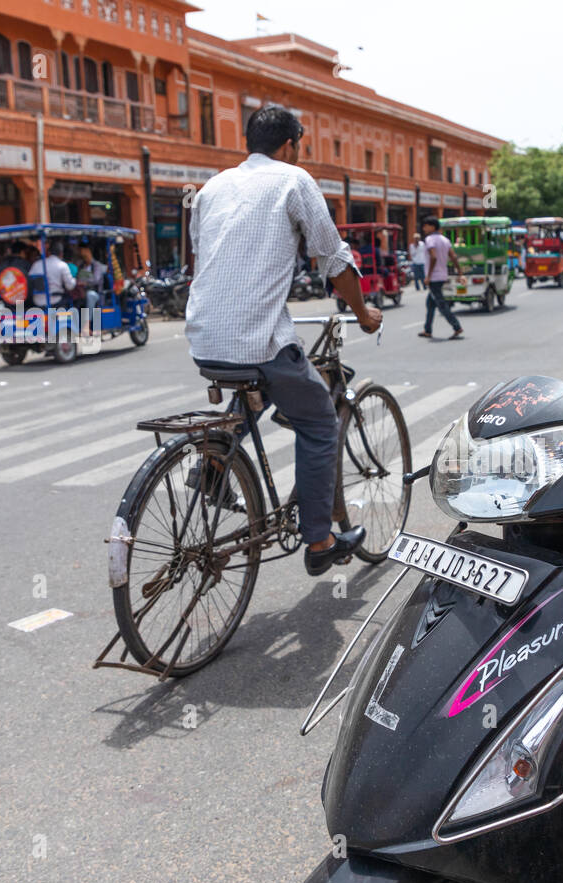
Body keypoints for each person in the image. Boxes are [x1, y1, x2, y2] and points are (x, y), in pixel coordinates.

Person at [185, 104, 383, 575]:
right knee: (318, 421)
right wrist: (363, 313)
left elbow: (209, 256)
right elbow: (334, 259)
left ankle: (214, 464)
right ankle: (319, 541)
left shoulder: (212, 187)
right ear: (291, 144)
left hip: (204, 337)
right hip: (259, 338)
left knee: (259, 386)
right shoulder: (294, 180)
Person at [418, 216, 465, 340]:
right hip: (442, 275)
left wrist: (428, 276)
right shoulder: (445, 240)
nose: (423, 228)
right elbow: (454, 257)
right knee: (430, 303)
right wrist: (460, 272)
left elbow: (433, 257)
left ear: (432, 226)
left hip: (434, 277)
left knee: (441, 304)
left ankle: (456, 326)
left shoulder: (429, 240)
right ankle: (427, 329)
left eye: (425, 225)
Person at [28, 242, 76, 309]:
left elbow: (29, 282)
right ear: (61, 253)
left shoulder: (36, 264)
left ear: (49, 253)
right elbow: (70, 286)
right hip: (55, 302)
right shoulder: (62, 265)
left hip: (37, 301)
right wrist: (74, 279)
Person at [74, 241, 108, 331]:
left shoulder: (96, 265)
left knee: (90, 295)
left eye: (81, 251)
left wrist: (84, 282)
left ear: (87, 251)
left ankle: (86, 325)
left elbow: (96, 280)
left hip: (97, 293)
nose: (80, 253)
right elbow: (77, 278)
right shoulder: (81, 266)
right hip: (82, 292)